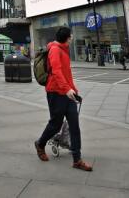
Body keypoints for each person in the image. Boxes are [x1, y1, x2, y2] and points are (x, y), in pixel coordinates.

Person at [35, 27, 93, 171]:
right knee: (55, 123)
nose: (72, 37)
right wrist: (67, 89)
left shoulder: (63, 49)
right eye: (71, 36)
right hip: (55, 92)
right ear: (67, 38)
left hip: (67, 94)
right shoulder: (55, 49)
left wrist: (74, 90)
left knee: (75, 126)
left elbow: (67, 73)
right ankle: (40, 144)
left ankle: (77, 160)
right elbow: (56, 71)